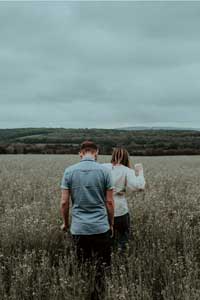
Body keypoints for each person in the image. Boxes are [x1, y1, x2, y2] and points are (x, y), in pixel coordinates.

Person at [60, 141, 114, 300]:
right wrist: (111, 223)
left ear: (80, 153)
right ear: (96, 152)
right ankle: (99, 295)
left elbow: (64, 202)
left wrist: (66, 224)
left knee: (81, 266)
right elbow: (109, 202)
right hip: (100, 228)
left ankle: (82, 293)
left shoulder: (69, 171)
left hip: (78, 229)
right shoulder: (104, 171)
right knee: (102, 269)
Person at [102, 148, 145, 251]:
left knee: (106, 237)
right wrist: (140, 172)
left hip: (103, 209)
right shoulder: (127, 170)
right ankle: (122, 258)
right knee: (123, 237)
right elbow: (139, 186)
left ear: (113, 156)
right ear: (126, 158)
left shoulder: (102, 167)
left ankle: (108, 258)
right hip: (120, 210)